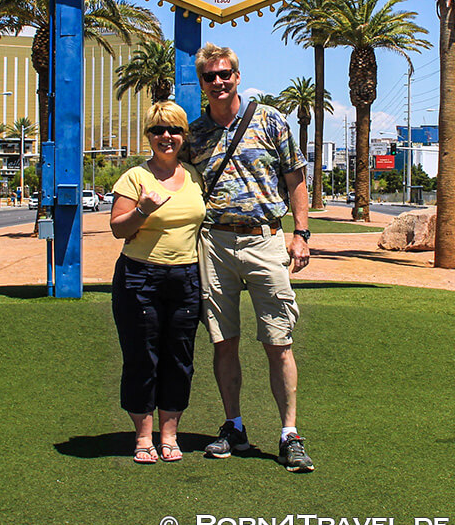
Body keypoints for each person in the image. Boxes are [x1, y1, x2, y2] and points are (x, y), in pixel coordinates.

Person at [187, 43, 315, 472]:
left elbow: (295, 179)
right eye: (210, 76)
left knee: (278, 341)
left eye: (225, 74)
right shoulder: (195, 133)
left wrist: (301, 233)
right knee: (224, 341)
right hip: (215, 244)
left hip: (265, 241)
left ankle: (289, 434)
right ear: (202, 83)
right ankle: (233, 426)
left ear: (237, 76)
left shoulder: (271, 119)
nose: (219, 82)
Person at [109, 101, 205, 464]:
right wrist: (143, 210)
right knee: (141, 357)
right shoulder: (136, 177)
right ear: (148, 136)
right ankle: (143, 436)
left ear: (184, 135)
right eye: (159, 130)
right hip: (140, 277)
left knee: (180, 358)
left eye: (175, 130)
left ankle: (169, 435)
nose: (167, 137)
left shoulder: (195, 175)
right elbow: (118, 228)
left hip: (186, 277)